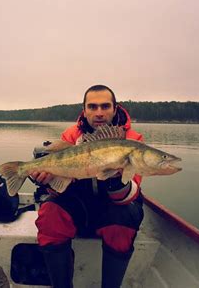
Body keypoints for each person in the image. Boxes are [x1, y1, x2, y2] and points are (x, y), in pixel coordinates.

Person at [30, 85, 144, 288]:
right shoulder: (70, 136)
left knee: (125, 218)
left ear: (115, 108)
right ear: (84, 110)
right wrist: (46, 181)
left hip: (111, 207)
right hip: (79, 204)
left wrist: (115, 178)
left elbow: (129, 195)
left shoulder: (132, 141)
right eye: (92, 106)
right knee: (50, 213)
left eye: (105, 106)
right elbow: (58, 187)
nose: (99, 112)